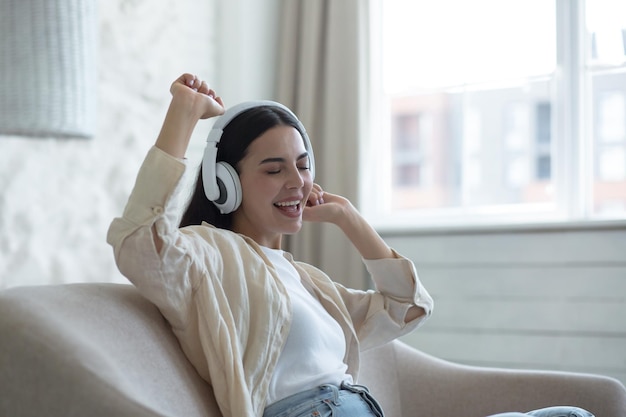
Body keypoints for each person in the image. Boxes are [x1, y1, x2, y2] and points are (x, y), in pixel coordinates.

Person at [107, 73, 594, 417]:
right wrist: (184, 116)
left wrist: (348, 218)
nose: (296, 181)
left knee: (571, 416)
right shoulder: (208, 254)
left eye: (302, 165)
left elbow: (405, 307)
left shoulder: (306, 281)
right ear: (224, 184)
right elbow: (138, 245)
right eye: (274, 169)